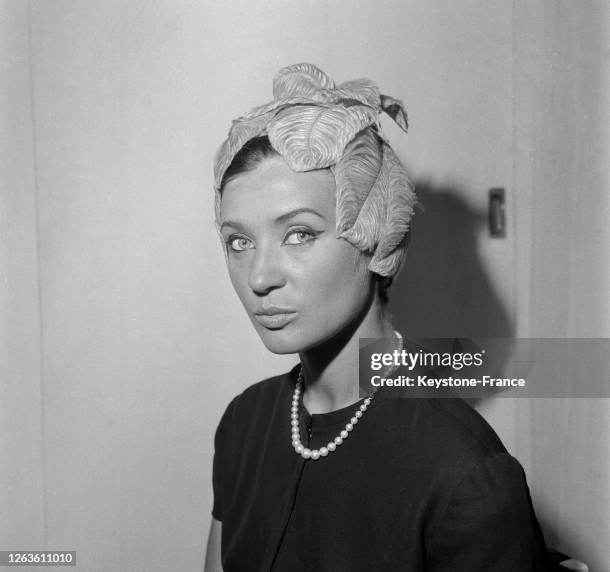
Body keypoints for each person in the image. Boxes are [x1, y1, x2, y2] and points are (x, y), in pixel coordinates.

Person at [204, 63, 550, 571]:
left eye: (299, 233)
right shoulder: (243, 424)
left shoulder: (464, 471)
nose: (259, 277)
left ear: (376, 239)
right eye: (239, 242)